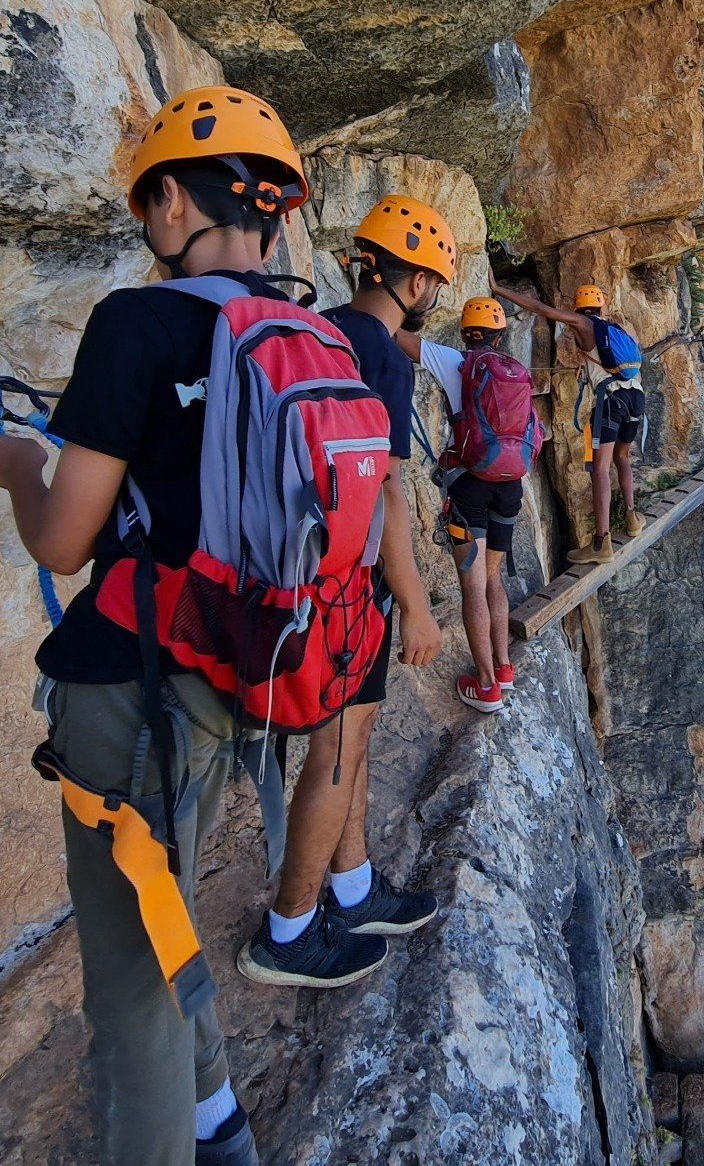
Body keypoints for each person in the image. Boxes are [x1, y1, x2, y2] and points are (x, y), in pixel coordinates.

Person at [0, 86, 318, 1166]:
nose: (147, 230)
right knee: (159, 898)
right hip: (236, 676)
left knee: (126, 993)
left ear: (173, 203)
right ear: (268, 216)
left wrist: (18, 467)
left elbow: (63, 542)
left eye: (147, 208)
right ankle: (217, 1121)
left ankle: (179, 1133)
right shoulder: (308, 337)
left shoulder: (136, 323)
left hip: (127, 687)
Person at [237, 194, 451, 987]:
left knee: (351, 737)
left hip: (293, 568)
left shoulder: (323, 327)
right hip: (349, 587)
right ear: (421, 282)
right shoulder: (384, 358)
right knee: (337, 749)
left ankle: (353, 889)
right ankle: (288, 933)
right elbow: (388, 487)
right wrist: (419, 605)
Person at [401, 296, 542, 713]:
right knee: (494, 579)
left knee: (473, 586)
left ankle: (485, 687)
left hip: (469, 484)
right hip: (510, 486)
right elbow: (540, 431)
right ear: (501, 335)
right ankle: (503, 669)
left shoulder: (455, 361)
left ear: (466, 331)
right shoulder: (517, 373)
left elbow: (396, 336)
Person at [492, 278, 645, 565]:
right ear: (600, 306)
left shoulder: (583, 324)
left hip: (611, 401)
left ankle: (601, 542)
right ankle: (633, 517)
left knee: (599, 469)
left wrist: (499, 289)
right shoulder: (613, 328)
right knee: (622, 457)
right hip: (635, 395)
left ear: (578, 308)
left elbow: (542, 309)